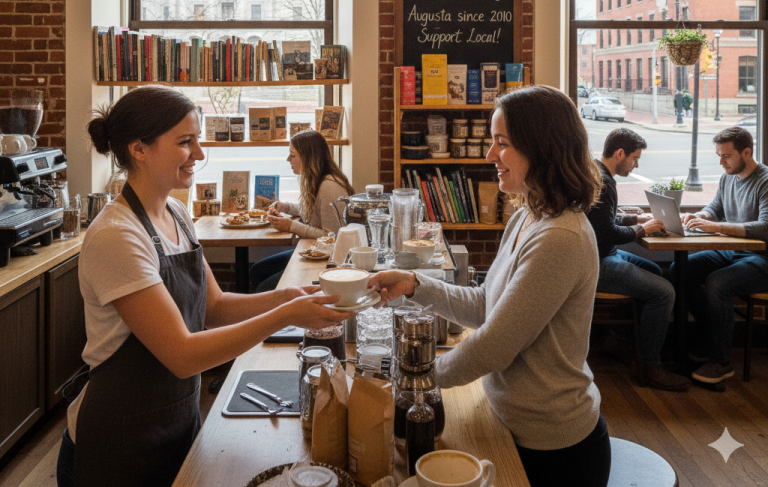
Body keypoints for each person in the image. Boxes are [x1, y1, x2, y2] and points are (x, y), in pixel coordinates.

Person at [57, 87, 351, 487]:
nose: (198, 153)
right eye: (185, 142)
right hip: (118, 443)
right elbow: (182, 355)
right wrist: (286, 315)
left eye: (197, 140)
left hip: (176, 425)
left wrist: (288, 296)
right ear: (139, 149)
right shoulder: (117, 235)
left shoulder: (177, 213)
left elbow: (215, 306)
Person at [369, 86, 611, 487]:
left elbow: (495, 346)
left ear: (542, 149)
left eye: (502, 143)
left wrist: (416, 378)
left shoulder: (560, 237)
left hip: (553, 446)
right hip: (509, 421)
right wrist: (414, 285)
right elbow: (486, 305)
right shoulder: (527, 217)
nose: (489, 155)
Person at [586, 128, 689, 391]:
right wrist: (643, 229)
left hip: (604, 254)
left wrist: (637, 218)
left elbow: (603, 221)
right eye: (635, 159)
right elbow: (607, 233)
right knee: (664, 293)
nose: (636, 165)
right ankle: (649, 367)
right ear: (620, 153)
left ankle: (616, 340)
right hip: (597, 263)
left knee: (655, 270)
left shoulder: (598, 173)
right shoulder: (604, 182)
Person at [676, 126, 768, 384]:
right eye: (719, 155)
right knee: (680, 270)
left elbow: (765, 228)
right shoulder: (728, 178)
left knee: (719, 283)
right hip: (734, 251)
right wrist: (699, 216)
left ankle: (721, 362)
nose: (721, 162)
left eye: (726, 156)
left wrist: (717, 227)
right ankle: (711, 338)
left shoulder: (765, 181)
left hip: (762, 258)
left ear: (746, 152)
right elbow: (715, 207)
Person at [249, 129, 353, 292]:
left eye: (292, 155)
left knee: (264, 286)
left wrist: (291, 226)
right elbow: (314, 210)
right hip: (314, 251)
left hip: (328, 260)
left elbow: (332, 237)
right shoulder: (315, 180)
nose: (288, 159)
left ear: (308, 158)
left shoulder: (330, 187)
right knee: (257, 271)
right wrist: (286, 207)